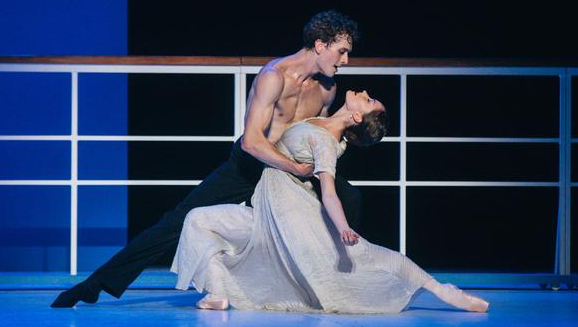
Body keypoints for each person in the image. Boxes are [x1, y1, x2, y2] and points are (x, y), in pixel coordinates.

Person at [51, 10, 363, 308]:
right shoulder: (274, 77)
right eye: (342, 51)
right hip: (251, 165)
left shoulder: (328, 89)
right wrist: (295, 167)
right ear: (320, 45)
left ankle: (334, 283)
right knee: (176, 220)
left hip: (288, 172)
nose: (346, 61)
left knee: (348, 198)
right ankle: (94, 285)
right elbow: (253, 142)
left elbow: (315, 134)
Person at [172, 91, 490, 313]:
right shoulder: (320, 122)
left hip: (287, 222)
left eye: (367, 100)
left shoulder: (326, 142)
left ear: (356, 115)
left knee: (369, 255)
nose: (363, 91)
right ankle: (218, 293)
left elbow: (329, 192)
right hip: (264, 216)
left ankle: (444, 291)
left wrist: (342, 228)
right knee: (198, 220)